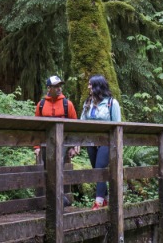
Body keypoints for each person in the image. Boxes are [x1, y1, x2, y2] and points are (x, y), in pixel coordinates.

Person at [34, 75, 79, 206]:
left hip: (63, 143)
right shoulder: (41, 105)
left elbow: (75, 126)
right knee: (47, 169)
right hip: (45, 143)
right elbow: (35, 126)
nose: (59, 88)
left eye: (60, 86)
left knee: (57, 165)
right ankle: (54, 197)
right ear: (49, 88)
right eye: (56, 86)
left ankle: (58, 197)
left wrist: (73, 145)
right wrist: (36, 147)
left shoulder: (67, 104)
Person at [80, 75, 121, 209]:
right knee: (96, 170)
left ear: (97, 86)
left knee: (100, 169)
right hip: (91, 142)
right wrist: (78, 142)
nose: (88, 87)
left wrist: (117, 146)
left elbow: (117, 125)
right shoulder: (87, 103)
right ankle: (106, 199)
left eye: (90, 85)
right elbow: (81, 123)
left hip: (107, 142)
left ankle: (98, 203)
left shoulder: (111, 103)